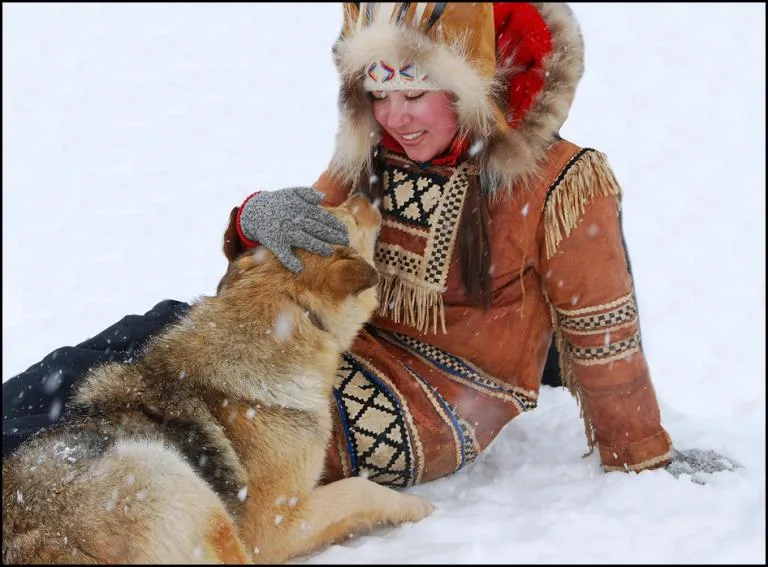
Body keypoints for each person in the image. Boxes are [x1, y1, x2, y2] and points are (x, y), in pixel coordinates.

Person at [3, 3, 736, 483]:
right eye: (379, 95)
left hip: (436, 396)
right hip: (336, 344)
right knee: (148, 338)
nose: (396, 117)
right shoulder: (372, 154)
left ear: (476, 87)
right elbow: (281, 264)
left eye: (416, 94)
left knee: (192, 420)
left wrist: (643, 454)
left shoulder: (563, 183)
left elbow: (603, 338)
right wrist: (259, 217)